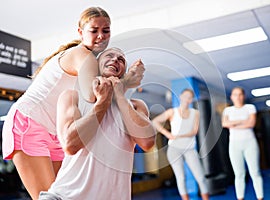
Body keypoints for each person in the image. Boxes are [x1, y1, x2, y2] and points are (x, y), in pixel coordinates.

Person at [1, 7, 144, 200]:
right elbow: (93, 97)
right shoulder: (81, 55)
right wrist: (127, 81)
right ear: (80, 32)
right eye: (94, 30)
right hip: (28, 122)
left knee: (65, 193)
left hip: (55, 132)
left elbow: (105, 95)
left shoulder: (94, 61)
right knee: (47, 196)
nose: (101, 36)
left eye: (106, 30)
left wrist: (123, 82)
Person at [38, 47, 156, 200]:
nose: (115, 60)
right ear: (96, 65)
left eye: (121, 60)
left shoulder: (135, 105)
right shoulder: (72, 96)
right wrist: (102, 102)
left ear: (122, 73)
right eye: (109, 56)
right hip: (63, 197)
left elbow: (147, 142)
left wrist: (119, 95)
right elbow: (70, 144)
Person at [152, 89, 209, 200]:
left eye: (190, 97)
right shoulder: (172, 112)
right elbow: (155, 122)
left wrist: (178, 136)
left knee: (200, 177)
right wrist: (167, 133)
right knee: (181, 177)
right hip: (174, 149)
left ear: (192, 99)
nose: (187, 99)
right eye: (186, 96)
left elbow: (194, 131)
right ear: (181, 97)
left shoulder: (195, 113)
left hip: (190, 149)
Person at [222, 87, 264, 200]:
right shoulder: (228, 110)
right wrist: (242, 121)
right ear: (231, 97)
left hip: (249, 143)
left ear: (243, 96)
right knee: (239, 174)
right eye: (235, 94)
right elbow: (225, 123)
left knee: (255, 172)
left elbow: (251, 124)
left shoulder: (250, 108)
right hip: (234, 145)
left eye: (240, 94)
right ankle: (240, 198)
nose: (238, 97)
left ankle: (260, 198)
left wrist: (233, 124)